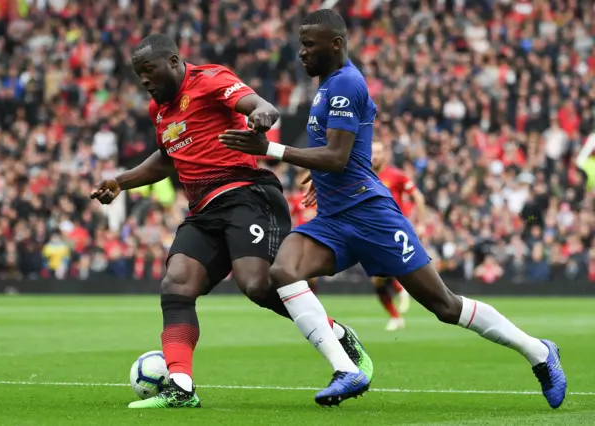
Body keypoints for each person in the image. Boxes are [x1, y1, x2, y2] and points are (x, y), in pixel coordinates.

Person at [219, 9, 567, 409]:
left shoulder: (347, 83)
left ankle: (539, 352)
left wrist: (272, 150)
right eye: (300, 44)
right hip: (334, 219)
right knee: (282, 271)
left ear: (335, 44)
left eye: (309, 44)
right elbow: (344, 151)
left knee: (444, 305)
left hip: (371, 216)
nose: (300, 52)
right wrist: (324, 177)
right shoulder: (328, 85)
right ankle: (346, 367)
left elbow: (336, 155)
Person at [90, 34, 372, 410]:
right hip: (203, 211)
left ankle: (337, 335)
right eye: (138, 74)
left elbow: (261, 105)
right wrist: (120, 181)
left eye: (148, 70)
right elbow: (166, 158)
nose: (144, 80)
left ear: (173, 62)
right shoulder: (159, 111)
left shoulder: (209, 79)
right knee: (176, 285)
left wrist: (260, 117)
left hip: (247, 195)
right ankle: (181, 386)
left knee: (255, 285)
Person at [370, 140, 426, 330]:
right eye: (372, 152)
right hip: (371, 230)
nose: (375, 156)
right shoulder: (363, 174)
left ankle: (401, 287)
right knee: (377, 280)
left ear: (385, 154)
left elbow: (418, 197)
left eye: (378, 152)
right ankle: (396, 315)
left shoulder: (396, 175)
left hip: (394, 228)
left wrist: (421, 224)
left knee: (388, 265)